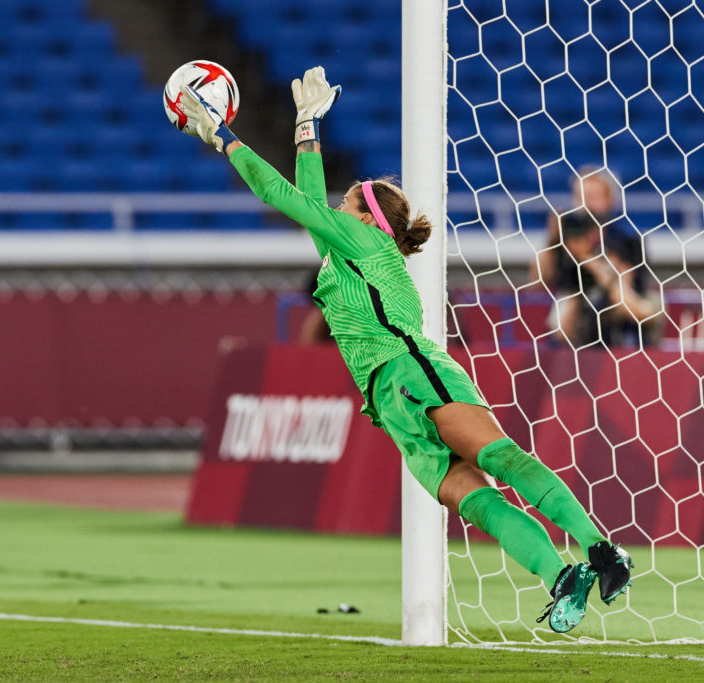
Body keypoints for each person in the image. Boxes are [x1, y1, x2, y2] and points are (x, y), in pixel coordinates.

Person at [177, 66, 632, 633]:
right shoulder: (347, 249)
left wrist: (223, 136)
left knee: (499, 460)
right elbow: (306, 199)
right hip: (389, 402)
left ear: (368, 218)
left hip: (412, 370)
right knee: (474, 501)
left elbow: (281, 194)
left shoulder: (364, 241)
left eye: (344, 205)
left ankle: (601, 551)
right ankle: (559, 578)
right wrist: (306, 127)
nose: (333, 211)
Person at [534, 167, 661, 348]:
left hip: (620, 319)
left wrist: (588, 260)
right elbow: (538, 280)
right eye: (580, 197)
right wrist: (552, 240)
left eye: (593, 197)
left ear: (609, 199)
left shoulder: (628, 238)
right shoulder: (568, 237)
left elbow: (631, 298)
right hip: (576, 321)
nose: (585, 205)